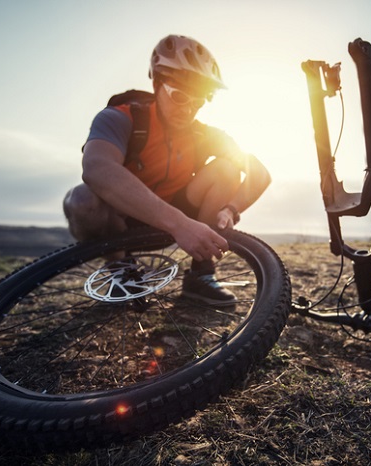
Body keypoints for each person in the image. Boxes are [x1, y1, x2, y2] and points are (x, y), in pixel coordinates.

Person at [63, 34, 271, 305]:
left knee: (227, 170)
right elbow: (96, 168)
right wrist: (179, 223)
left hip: (177, 222)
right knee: (82, 200)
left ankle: (201, 274)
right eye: (180, 96)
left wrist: (231, 208)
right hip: (121, 224)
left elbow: (259, 172)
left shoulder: (202, 134)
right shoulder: (120, 117)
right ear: (157, 83)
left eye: (198, 100)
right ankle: (121, 273)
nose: (188, 109)